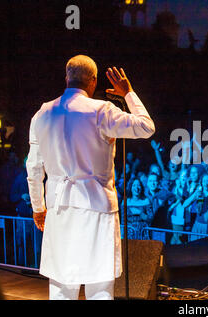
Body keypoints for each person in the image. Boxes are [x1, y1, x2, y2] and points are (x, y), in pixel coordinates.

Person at [26, 56, 155, 300]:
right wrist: (127, 93)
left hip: (58, 208)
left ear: (67, 78)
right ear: (93, 81)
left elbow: (33, 167)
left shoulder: (42, 113)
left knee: (62, 287)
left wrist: (38, 208)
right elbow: (146, 126)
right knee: (99, 287)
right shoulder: (101, 111)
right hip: (97, 207)